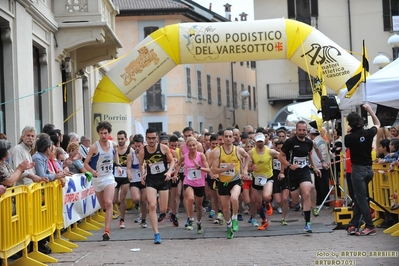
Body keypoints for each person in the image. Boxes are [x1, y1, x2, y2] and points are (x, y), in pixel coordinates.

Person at [278, 121, 321, 233]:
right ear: (296, 130)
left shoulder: (309, 142)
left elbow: (309, 155)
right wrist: (289, 165)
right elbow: (280, 156)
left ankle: (307, 223)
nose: (302, 132)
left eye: (304, 130)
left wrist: (314, 167)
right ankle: (300, 202)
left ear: (306, 131)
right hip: (292, 173)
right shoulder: (290, 142)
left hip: (304, 170)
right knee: (296, 200)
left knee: (306, 193)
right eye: (300, 130)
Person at [345, 104, 380, 236]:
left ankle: (370, 226)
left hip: (358, 170)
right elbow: (378, 123)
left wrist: (350, 131)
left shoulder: (349, 137)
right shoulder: (369, 133)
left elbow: (348, 143)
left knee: (361, 199)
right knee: (359, 197)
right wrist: (370, 110)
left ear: (350, 124)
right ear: (361, 121)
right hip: (369, 170)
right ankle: (354, 224)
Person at [84, 121, 122, 241]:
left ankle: (107, 230)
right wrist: (92, 171)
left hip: (109, 177)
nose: (103, 136)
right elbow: (85, 163)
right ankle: (107, 214)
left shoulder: (113, 144)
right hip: (97, 179)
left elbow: (116, 154)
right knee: (104, 205)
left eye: (105, 133)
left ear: (109, 133)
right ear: (98, 134)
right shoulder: (94, 147)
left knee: (109, 202)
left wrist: (118, 165)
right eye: (101, 133)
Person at [211, 128, 250, 239]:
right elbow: (214, 170)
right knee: (225, 208)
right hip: (223, 182)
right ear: (222, 138)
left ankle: (235, 218)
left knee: (234, 198)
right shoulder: (217, 152)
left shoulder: (238, 150)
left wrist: (245, 169)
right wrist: (225, 169)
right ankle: (229, 226)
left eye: (230, 136)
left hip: (235, 180)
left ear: (233, 138)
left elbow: (247, 157)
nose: (228, 138)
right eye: (226, 136)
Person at [138, 128, 175, 244]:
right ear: (146, 138)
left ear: (157, 138)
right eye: (149, 138)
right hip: (151, 180)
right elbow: (141, 164)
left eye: (153, 138)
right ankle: (156, 233)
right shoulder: (143, 151)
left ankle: (162, 207)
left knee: (163, 209)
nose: (151, 140)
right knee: (152, 205)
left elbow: (172, 161)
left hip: (163, 179)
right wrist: (143, 174)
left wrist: (169, 172)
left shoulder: (163, 148)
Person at [174, 137, 210, 233]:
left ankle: (199, 222)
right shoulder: (184, 156)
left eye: (194, 145)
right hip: (188, 181)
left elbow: (208, 169)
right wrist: (175, 174)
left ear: (197, 146)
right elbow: (178, 165)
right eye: (190, 146)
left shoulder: (201, 156)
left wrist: (199, 168)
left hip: (200, 183)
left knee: (199, 205)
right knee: (190, 198)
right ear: (187, 147)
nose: (192, 147)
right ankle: (191, 219)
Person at [248, 133, 280, 230]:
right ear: (255, 142)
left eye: (261, 141)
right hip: (256, 178)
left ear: (264, 141)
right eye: (258, 141)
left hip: (268, 177)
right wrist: (251, 168)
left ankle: (267, 203)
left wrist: (285, 168)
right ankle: (264, 220)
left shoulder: (270, 151)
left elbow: (282, 156)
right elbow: (248, 167)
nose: (260, 143)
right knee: (257, 202)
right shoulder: (251, 152)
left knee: (266, 196)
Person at [127, 134, 147, 228]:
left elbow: (147, 165)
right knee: (135, 198)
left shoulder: (147, 153)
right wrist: (129, 174)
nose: (137, 148)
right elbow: (128, 168)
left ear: (143, 144)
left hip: (145, 179)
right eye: (136, 146)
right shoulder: (131, 155)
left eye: (139, 146)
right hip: (135, 179)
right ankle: (137, 206)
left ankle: (143, 219)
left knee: (144, 200)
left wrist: (141, 159)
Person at [113, 130, 132, 229]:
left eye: (122, 139)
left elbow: (135, 162)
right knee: (115, 199)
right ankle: (118, 209)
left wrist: (128, 162)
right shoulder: (114, 149)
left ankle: (122, 219)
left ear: (126, 139)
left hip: (125, 177)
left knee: (122, 198)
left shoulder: (130, 150)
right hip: (115, 176)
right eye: (118, 139)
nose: (120, 141)